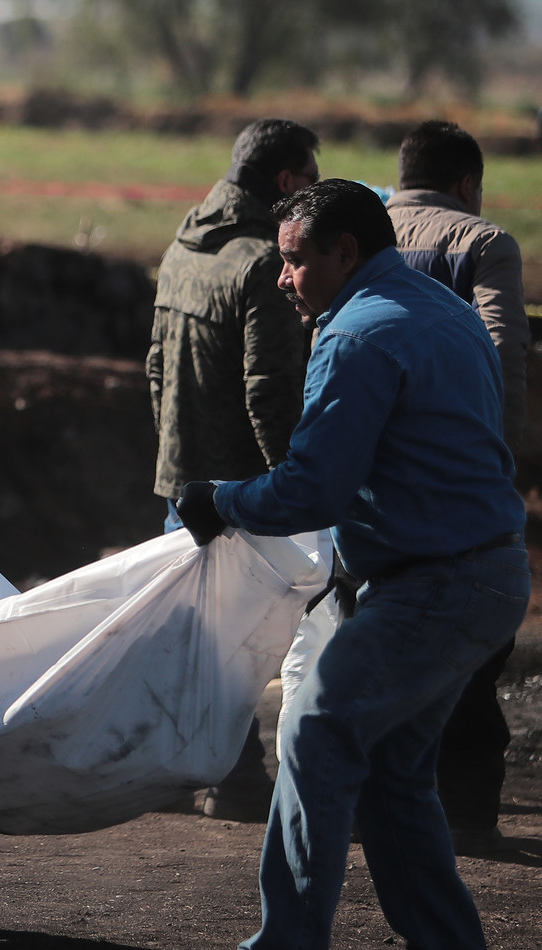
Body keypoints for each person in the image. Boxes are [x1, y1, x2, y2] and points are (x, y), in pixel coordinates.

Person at [176, 179, 528, 950]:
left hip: (436, 581)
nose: (284, 278)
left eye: (296, 261)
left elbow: (315, 486)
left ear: (345, 253)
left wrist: (220, 500)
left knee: (321, 725)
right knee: (393, 775)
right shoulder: (441, 311)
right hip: (480, 572)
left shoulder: (361, 334)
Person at [146, 118, 320, 821]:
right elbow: (270, 389)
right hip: (240, 487)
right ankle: (237, 778)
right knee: (244, 639)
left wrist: (170, 456)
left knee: (198, 636)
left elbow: (157, 364)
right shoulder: (262, 263)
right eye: (311, 180)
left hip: (179, 476)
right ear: (284, 182)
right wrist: (297, 482)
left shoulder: (184, 244)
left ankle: (193, 769)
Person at [386, 121, 531, 849]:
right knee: (471, 641)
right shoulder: (482, 242)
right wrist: (507, 458)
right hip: (454, 476)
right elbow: (504, 349)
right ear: (467, 183)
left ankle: (385, 803)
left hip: (377, 475)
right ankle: (467, 813)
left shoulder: (356, 231)